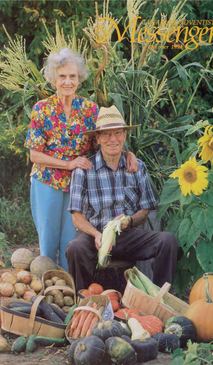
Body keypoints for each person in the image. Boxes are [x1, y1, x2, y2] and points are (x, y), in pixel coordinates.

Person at [24, 49, 138, 271]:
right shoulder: (42, 109)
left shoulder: (90, 110)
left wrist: (127, 154)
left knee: (71, 240)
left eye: (72, 76)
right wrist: (68, 164)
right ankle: (48, 290)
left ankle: (71, 289)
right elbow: (34, 155)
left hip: (78, 184)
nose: (67, 81)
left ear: (79, 78)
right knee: (48, 240)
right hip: (46, 181)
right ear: (53, 80)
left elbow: (103, 144)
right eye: (62, 76)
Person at [66, 105, 178, 292]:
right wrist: (96, 234)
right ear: (98, 138)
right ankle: (83, 298)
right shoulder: (84, 170)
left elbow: (144, 211)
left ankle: (161, 297)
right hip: (94, 235)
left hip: (126, 235)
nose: (113, 139)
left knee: (167, 241)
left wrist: (129, 220)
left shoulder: (137, 167)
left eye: (118, 133)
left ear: (125, 135)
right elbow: (77, 217)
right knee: (74, 249)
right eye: (107, 134)